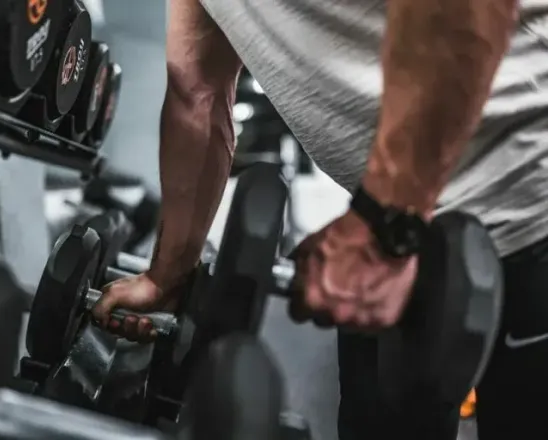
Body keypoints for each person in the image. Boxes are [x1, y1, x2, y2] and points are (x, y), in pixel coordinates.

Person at [92, 0, 548, 438]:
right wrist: (169, 274)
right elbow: (198, 95)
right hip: (405, 230)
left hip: (528, 201)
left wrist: (384, 225)